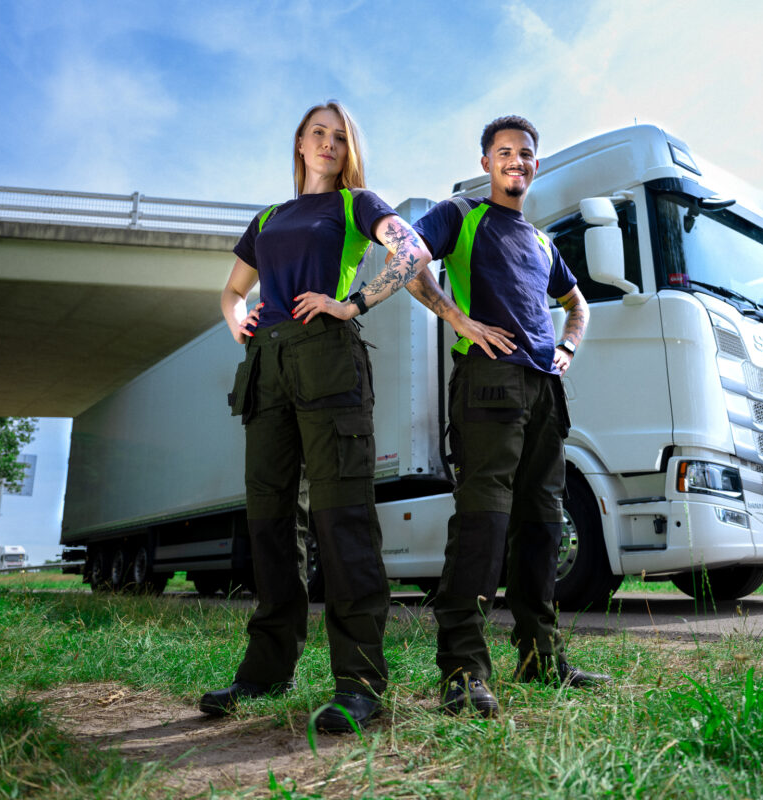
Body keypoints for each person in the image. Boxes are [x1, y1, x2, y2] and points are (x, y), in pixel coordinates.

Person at [199, 101, 511, 732]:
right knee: (268, 524)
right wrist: (239, 321)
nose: (329, 143)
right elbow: (233, 291)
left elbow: (412, 251)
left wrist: (352, 302)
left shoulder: (355, 203)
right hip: (267, 368)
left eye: (340, 137)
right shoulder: (266, 219)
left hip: (328, 364)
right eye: (319, 133)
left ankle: (361, 684)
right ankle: (264, 672)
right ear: (299, 142)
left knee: (342, 524)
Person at [413, 115, 609, 717]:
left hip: (544, 390)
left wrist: (567, 347)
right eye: (503, 153)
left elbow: (579, 305)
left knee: (544, 525)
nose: (515, 161)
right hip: (487, 384)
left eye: (524, 153)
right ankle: (464, 669)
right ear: (486, 163)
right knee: (484, 525)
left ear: (535, 164)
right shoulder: (460, 216)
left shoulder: (544, 242)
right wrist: (458, 320)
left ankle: (539, 656)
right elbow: (407, 259)